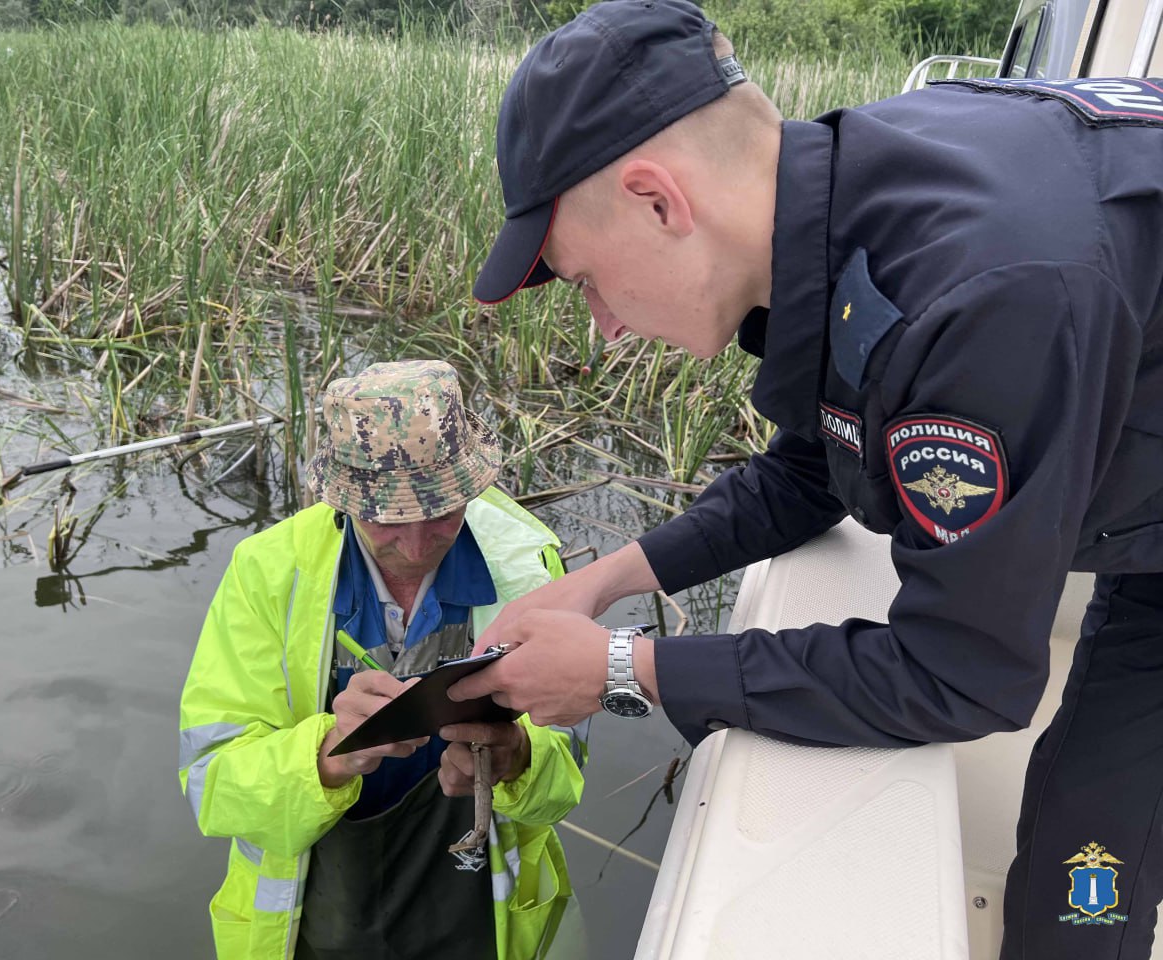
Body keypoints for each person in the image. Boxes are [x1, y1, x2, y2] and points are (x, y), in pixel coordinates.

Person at [450, 2, 1163, 958]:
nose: (603, 327)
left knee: (1088, 871)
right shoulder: (857, 198)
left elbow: (961, 674)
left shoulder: (980, 292)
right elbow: (814, 468)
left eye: (583, 281)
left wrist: (624, 669)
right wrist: (600, 582)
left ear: (660, 200)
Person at [178, 359, 586, 960]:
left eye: (442, 510)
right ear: (342, 499)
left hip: (479, 915)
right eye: (388, 517)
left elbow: (568, 770)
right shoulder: (267, 572)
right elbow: (211, 785)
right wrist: (329, 755)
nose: (417, 545)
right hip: (315, 916)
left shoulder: (528, 564)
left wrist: (517, 760)